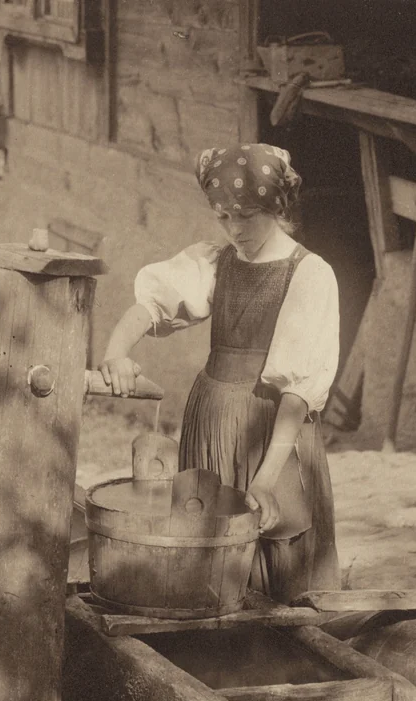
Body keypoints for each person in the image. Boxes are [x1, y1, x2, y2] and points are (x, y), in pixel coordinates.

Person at [99, 143, 341, 604]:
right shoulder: (218, 261)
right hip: (211, 419)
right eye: (223, 216)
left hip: (272, 429)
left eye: (246, 215)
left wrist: (267, 477)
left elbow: (296, 395)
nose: (234, 228)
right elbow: (153, 304)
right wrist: (115, 351)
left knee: (273, 537)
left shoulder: (308, 275)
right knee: (207, 537)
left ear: (276, 206)